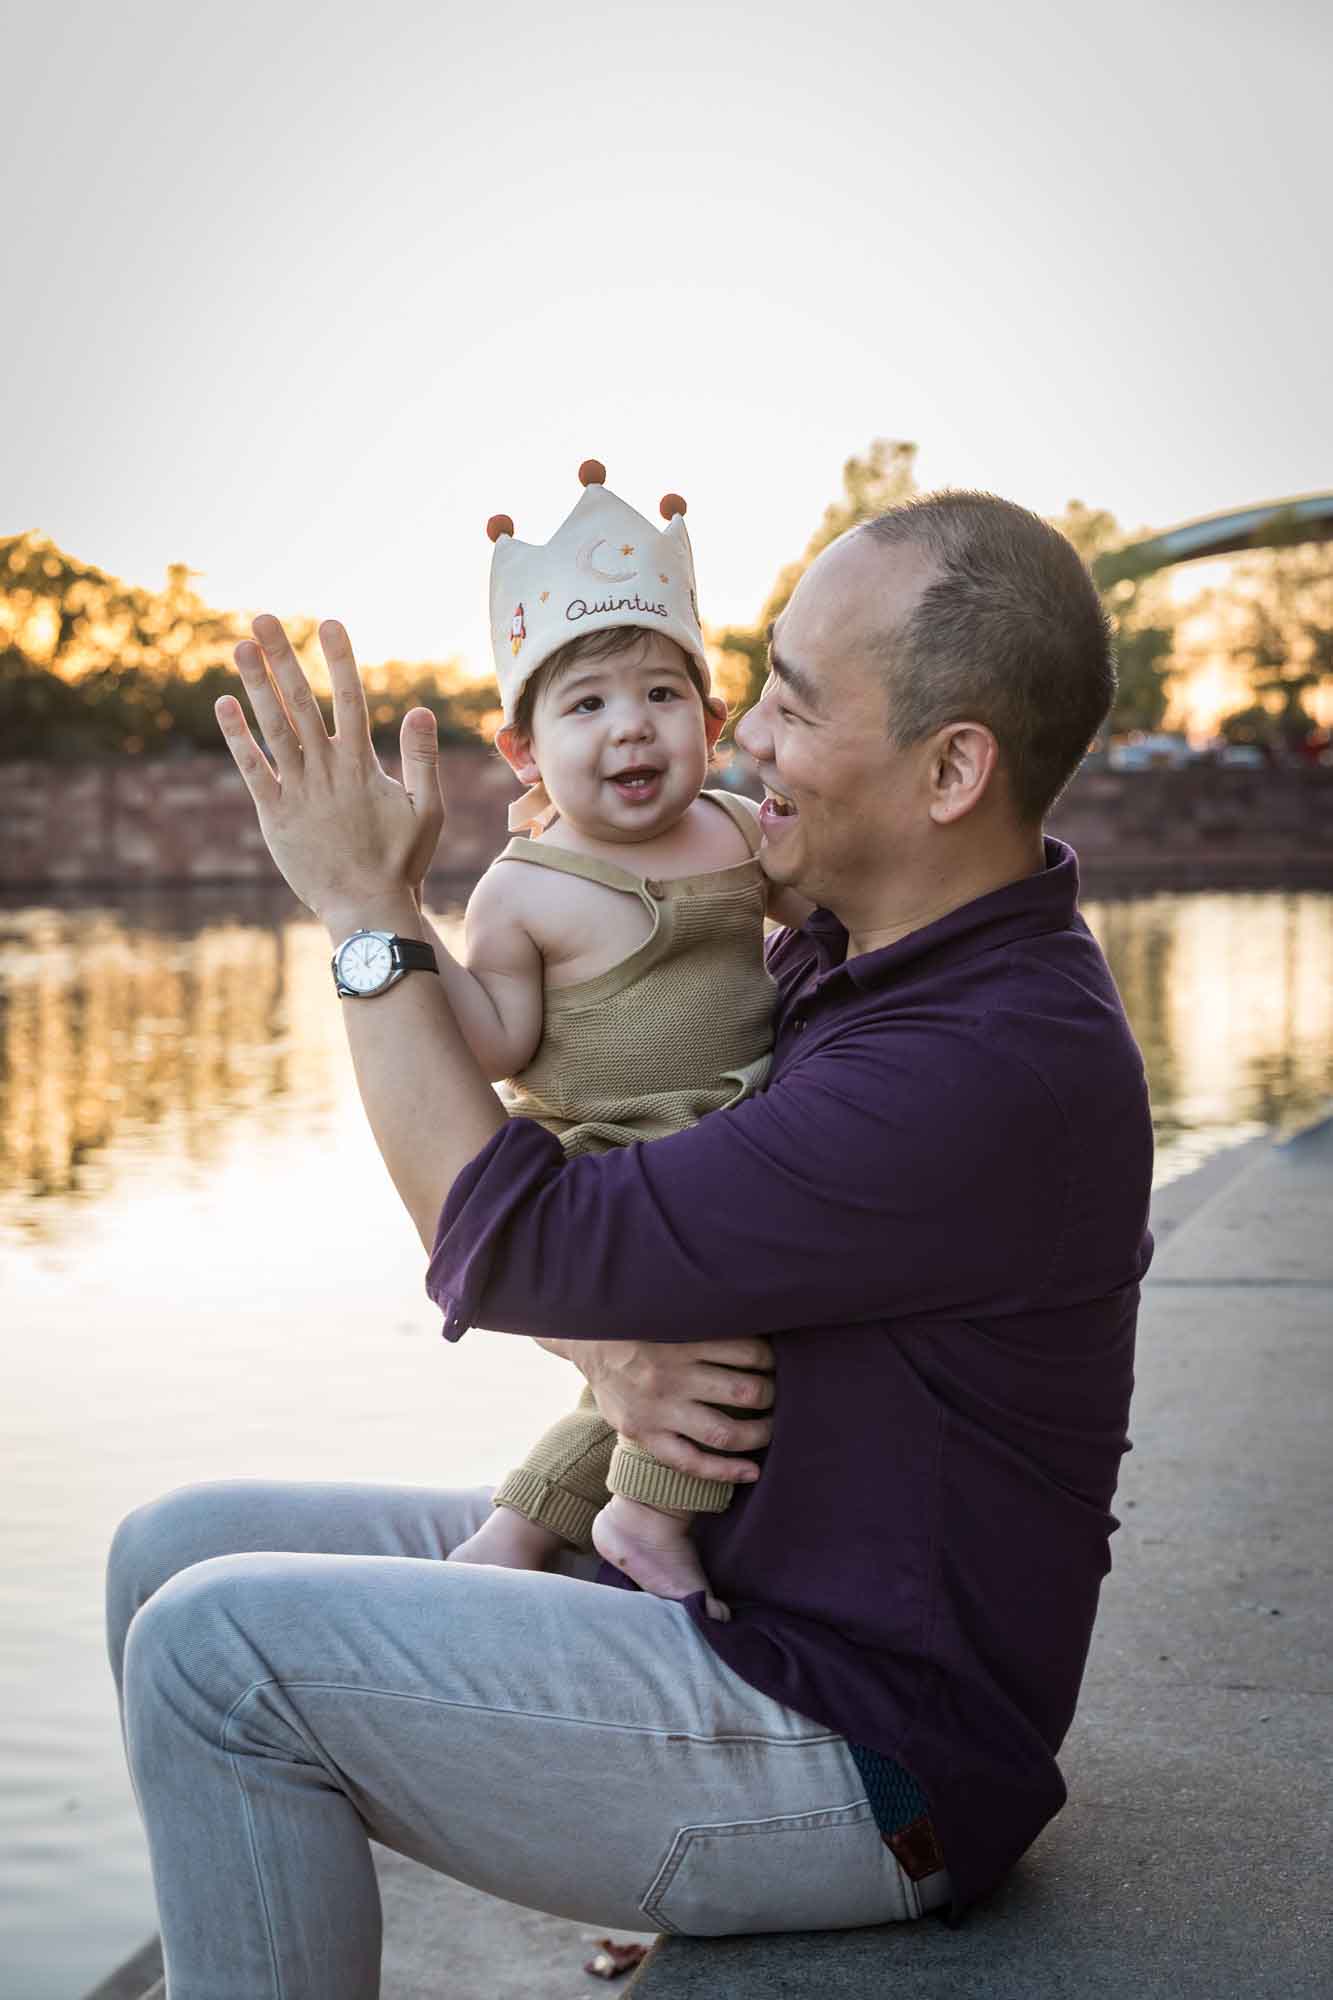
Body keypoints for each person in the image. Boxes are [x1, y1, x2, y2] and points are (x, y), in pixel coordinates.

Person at [106, 488, 1153, 1997]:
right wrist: (610, 1344)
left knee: (218, 1653)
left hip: (857, 1743)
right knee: (170, 1553)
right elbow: (608, 1230)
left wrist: (361, 905)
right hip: (725, 1583)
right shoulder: (863, 957)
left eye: (789, 705)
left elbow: (517, 1239)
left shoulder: (974, 1064)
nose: (747, 745)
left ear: (951, 769)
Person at [426, 461, 809, 1618]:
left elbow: (838, 913)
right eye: (585, 705)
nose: (629, 727)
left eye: (659, 694)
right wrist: (407, 924)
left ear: (710, 716)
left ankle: (518, 1526)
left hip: (726, 1137)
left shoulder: (737, 830)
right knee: (706, 1345)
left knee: (642, 1382)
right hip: (616, 1162)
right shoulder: (524, 887)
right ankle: (645, 1514)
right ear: (525, 752)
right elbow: (494, 1040)